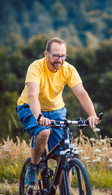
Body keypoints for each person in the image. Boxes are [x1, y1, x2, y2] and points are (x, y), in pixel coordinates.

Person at [16, 37, 100, 186]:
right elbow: (32, 96)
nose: (59, 59)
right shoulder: (35, 67)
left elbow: (81, 93)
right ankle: (34, 167)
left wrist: (92, 114)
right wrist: (39, 116)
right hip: (29, 107)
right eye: (56, 55)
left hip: (56, 110)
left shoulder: (69, 69)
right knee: (43, 132)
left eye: (63, 56)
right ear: (46, 53)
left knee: (64, 157)